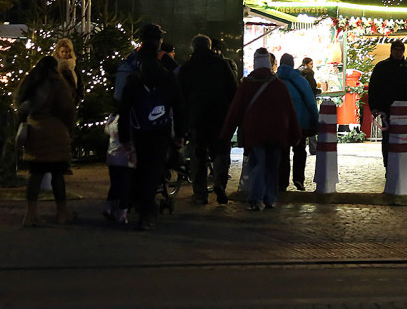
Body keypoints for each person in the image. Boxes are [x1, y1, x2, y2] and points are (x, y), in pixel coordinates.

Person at [118, 24, 186, 230]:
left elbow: (123, 106)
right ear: (158, 41)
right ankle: (147, 213)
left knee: (139, 168)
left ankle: (137, 204)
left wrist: (124, 136)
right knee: (154, 169)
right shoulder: (165, 69)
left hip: (138, 128)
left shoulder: (131, 66)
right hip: (160, 128)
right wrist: (180, 133)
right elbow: (178, 103)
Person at [220, 48, 300, 211]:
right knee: (272, 167)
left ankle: (256, 199)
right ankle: (270, 198)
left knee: (258, 165)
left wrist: (226, 134)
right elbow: (290, 111)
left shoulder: (247, 85)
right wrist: (295, 134)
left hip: (255, 133)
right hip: (277, 134)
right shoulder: (279, 85)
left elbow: (235, 111)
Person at [15, 55, 76, 226]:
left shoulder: (30, 82)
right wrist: (69, 128)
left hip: (34, 131)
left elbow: (20, 107)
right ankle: (62, 212)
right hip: (55, 131)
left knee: (35, 175)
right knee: (57, 175)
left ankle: (31, 214)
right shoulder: (58, 83)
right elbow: (67, 108)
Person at [179, 34, 237, 205]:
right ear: (209, 47)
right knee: (221, 151)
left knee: (198, 155)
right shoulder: (222, 65)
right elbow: (234, 90)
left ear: (194, 47)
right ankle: (220, 183)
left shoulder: (187, 68)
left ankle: (200, 193)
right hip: (219, 117)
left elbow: (180, 95)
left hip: (196, 119)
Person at [367, 40, 407, 168]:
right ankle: (389, 165)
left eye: (401, 50)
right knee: (389, 137)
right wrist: (374, 107)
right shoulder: (382, 67)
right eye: (396, 50)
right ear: (392, 50)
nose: (398, 52)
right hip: (388, 108)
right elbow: (374, 88)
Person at [277, 53, 318, 191]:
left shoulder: (275, 80)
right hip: (300, 122)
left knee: (283, 152)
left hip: (281, 123)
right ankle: (298, 179)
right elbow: (311, 102)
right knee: (300, 150)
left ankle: (282, 182)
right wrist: (316, 120)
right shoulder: (300, 80)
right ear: (292, 64)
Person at [102, 113, 134, 224]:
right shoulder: (130, 117)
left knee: (115, 184)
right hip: (126, 156)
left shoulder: (112, 116)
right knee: (126, 185)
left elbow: (107, 131)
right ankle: (122, 213)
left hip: (112, 155)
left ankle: (109, 207)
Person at [53, 38, 82, 106]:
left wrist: (77, 98)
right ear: (58, 52)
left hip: (70, 100)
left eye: (66, 52)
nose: (64, 54)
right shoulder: (53, 65)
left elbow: (79, 83)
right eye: (62, 52)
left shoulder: (73, 66)